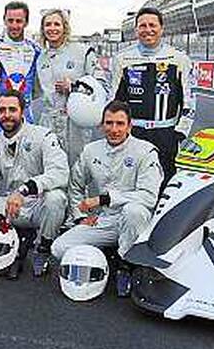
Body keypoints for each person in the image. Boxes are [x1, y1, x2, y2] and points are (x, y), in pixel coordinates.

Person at [50, 100, 163, 297]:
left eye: (120, 124)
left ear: (130, 126)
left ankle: (125, 265)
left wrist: (104, 199)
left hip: (136, 220)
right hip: (105, 220)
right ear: (102, 125)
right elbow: (75, 185)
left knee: (133, 211)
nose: (114, 129)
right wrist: (79, 217)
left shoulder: (146, 151)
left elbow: (148, 196)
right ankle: (109, 253)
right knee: (59, 249)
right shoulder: (91, 150)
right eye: (109, 123)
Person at [0, 89, 69, 278]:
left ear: (23, 111)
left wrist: (25, 190)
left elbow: (60, 173)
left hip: (38, 203)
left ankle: (43, 248)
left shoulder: (43, 136)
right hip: (12, 204)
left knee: (56, 199)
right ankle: (13, 240)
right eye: (2, 110)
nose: (7, 115)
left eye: (12, 109)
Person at [108, 6, 196, 184]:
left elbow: (189, 100)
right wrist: (116, 129)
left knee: (164, 184)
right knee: (128, 183)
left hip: (166, 134)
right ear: (136, 30)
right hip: (133, 134)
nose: (148, 30)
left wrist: (179, 133)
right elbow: (113, 100)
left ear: (161, 29)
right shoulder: (122, 59)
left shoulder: (179, 59)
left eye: (152, 25)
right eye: (142, 26)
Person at [35, 8, 100, 167]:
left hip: (75, 123)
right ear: (42, 29)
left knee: (76, 172)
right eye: (47, 24)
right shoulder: (40, 58)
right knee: (50, 170)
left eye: (56, 24)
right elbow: (33, 91)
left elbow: (100, 85)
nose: (52, 28)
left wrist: (75, 86)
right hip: (49, 121)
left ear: (65, 27)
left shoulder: (83, 51)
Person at [0, 1, 41, 140]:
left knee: (26, 160)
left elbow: (41, 87)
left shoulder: (36, 50)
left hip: (26, 117)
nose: (14, 25)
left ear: (26, 22)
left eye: (19, 21)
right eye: (10, 20)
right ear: (4, 21)